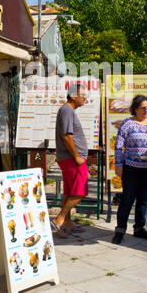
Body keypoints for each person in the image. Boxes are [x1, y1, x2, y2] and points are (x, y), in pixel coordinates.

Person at [112, 95, 147, 245]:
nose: (146, 110)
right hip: (131, 167)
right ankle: (120, 230)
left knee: (143, 200)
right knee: (127, 199)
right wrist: (118, 165)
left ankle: (139, 228)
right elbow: (118, 146)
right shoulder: (127, 124)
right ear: (135, 108)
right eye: (143, 108)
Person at [52, 83, 89, 237]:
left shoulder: (67, 110)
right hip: (71, 159)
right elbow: (66, 136)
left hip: (69, 159)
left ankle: (67, 222)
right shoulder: (67, 110)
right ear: (73, 96)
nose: (85, 99)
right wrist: (77, 156)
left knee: (70, 190)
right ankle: (59, 219)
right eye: (83, 95)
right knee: (80, 191)